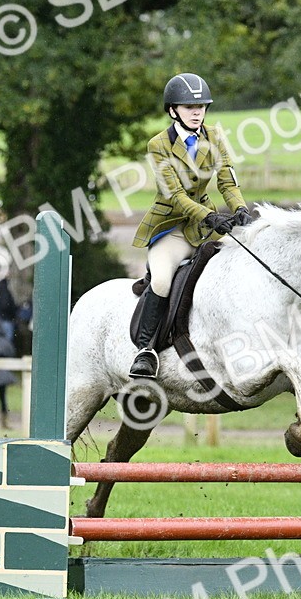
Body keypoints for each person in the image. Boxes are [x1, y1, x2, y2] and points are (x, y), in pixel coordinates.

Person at [128, 72, 254, 379]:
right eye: (189, 107)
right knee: (161, 280)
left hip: (204, 226)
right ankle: (145, 351)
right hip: (171, 226)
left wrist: (239, 209)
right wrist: (211, 217)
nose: (197, 112)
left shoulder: (215, 137)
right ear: (173, 110)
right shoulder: (158, 145)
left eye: (201, 107)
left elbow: (227, 181)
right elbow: (176, 195)